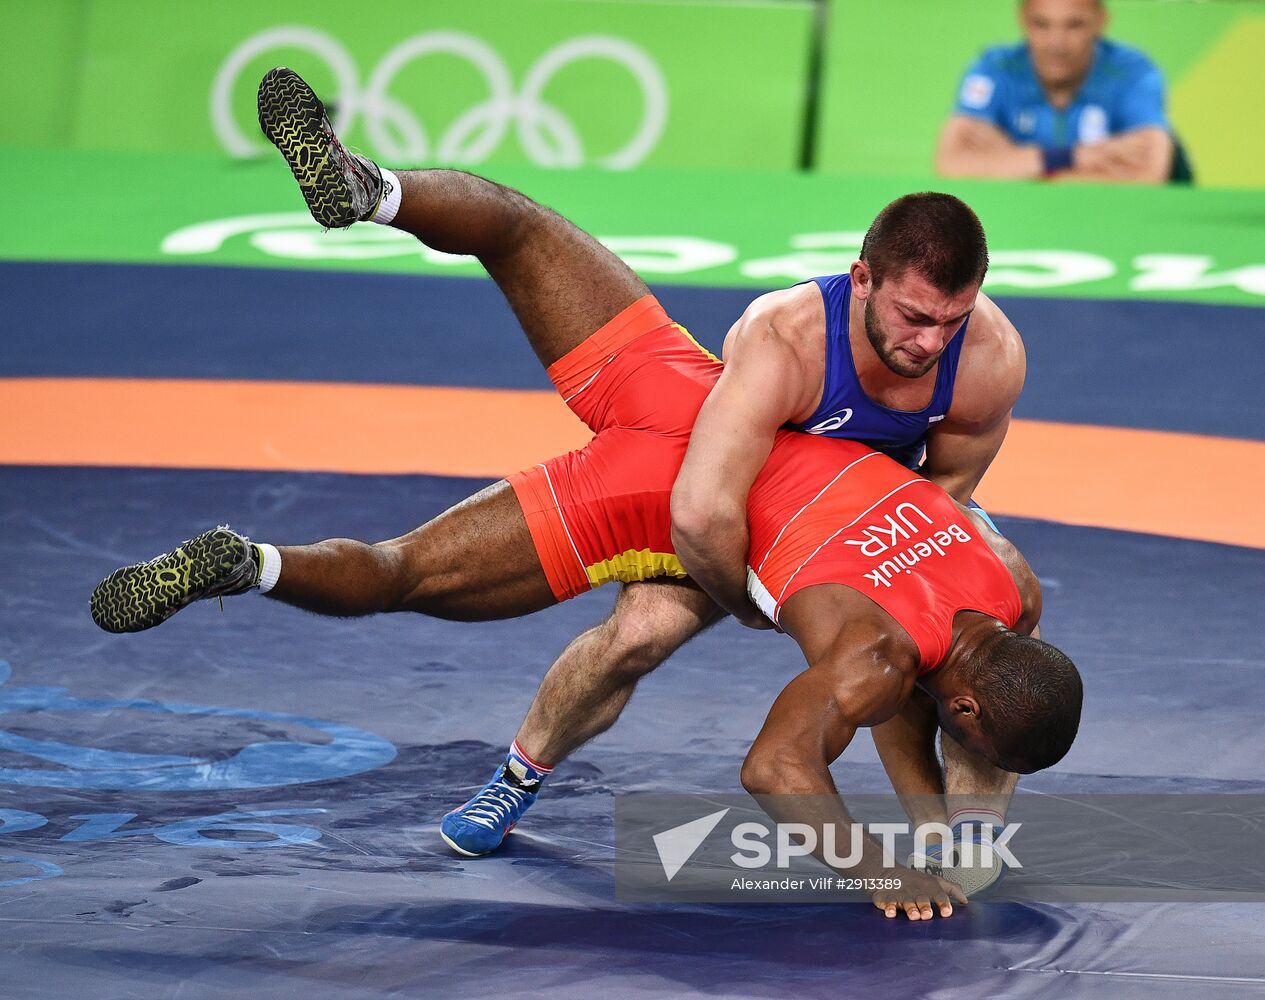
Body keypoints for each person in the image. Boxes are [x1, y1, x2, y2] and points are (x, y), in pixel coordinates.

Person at [89, 68, 1082, 921]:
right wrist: (760, 604)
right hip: (690, 498)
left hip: (694, 408)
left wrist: (852, 605)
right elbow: (711, 543)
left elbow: (943, 502)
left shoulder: (992, 448)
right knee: (602, 627)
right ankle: (492, 749)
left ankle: (257, 551)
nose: (928, 344)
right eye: (911, 319)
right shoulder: (784, 339)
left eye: (948, 325)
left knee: (518, 231)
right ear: (861, 280)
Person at [936, 0, 1178, 183]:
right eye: (1041, 24)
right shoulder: (995, 69)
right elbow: (951, 163)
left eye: (1074, 25)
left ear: (1100, 21)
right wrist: (1074, 157)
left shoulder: (1133, 73)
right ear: (1022, 20)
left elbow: (1150, 172)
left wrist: (1017, 164)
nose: (1056, 44)